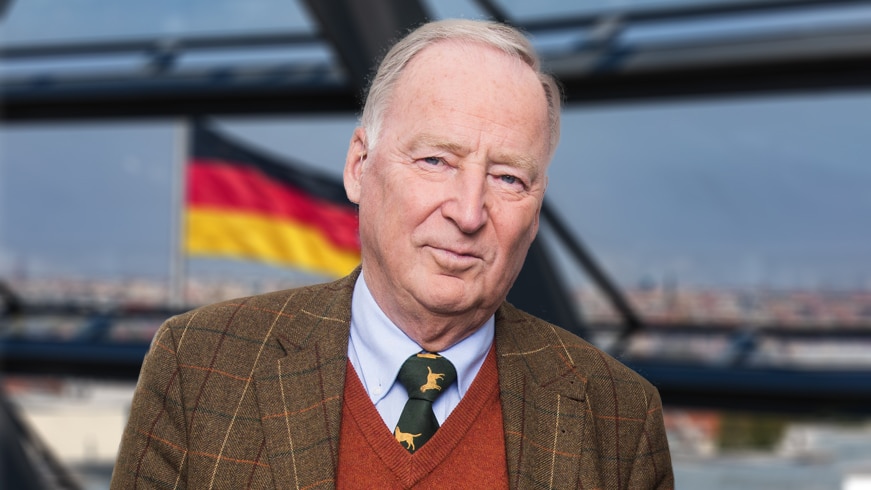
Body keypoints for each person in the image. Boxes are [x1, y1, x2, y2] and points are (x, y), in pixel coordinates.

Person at [111, 19, 673, 489]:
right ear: (360, 166)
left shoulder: (619, 417)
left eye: (506, 177)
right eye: (436, 162)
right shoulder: (201, 367)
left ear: (536, 204)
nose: (469, 212)